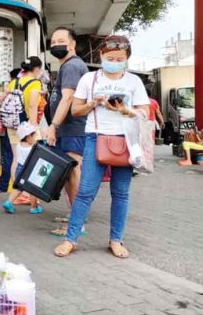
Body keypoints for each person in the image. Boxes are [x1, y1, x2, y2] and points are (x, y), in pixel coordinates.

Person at [54, 35, 149, 259]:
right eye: (110, 57)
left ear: (127, 58)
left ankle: (116, 240)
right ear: (101, 56)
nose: (114, 61)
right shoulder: (89, 79)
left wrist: (125, 110)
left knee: (121, 193)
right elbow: (75, 110)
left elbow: (144, 112)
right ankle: (71, 239)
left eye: (119, 58)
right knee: (85, 191)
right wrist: (92, 103)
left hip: (126, 140)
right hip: (95, 138)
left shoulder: (134, 81)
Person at [46, 27, 90, 236]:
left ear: (72, 44)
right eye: (53, 42)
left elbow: (68, 98)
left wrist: (53, 125)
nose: (56, 45)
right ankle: (74, 215)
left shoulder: (72, 66)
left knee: (73, 171)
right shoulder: (69, 66)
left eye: (61, 40)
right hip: (68, 128)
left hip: (73, 128)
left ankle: (77, 223)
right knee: (68, 172)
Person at [2, 57, 43, 192]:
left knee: (16, 159)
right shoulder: (35, 83)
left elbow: (2, 98)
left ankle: (17, 191)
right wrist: (34, 126)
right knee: (33, 159)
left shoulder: (14, 82)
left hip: (12, 124)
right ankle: (28, 193)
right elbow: (32, 105)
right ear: (37, 68)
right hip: (26, 125)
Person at [2, 123, 43, 214]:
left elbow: (17, 159)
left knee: (18, 188)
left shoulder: (18, 145)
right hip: (30, 170)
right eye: (34, 135)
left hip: (20, 169)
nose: (35, 137)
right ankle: (33, 208)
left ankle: (8, 202)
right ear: (28, 137)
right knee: (33, 189)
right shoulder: (32, 148)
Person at [0, 69, 20, 193]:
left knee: (8, 157)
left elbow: (1, 101)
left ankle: (4, 186)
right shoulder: (26, 88)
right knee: (18, 158)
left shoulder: (10, 88)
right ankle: (20, 188)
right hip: (23, 128)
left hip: (9, 129)